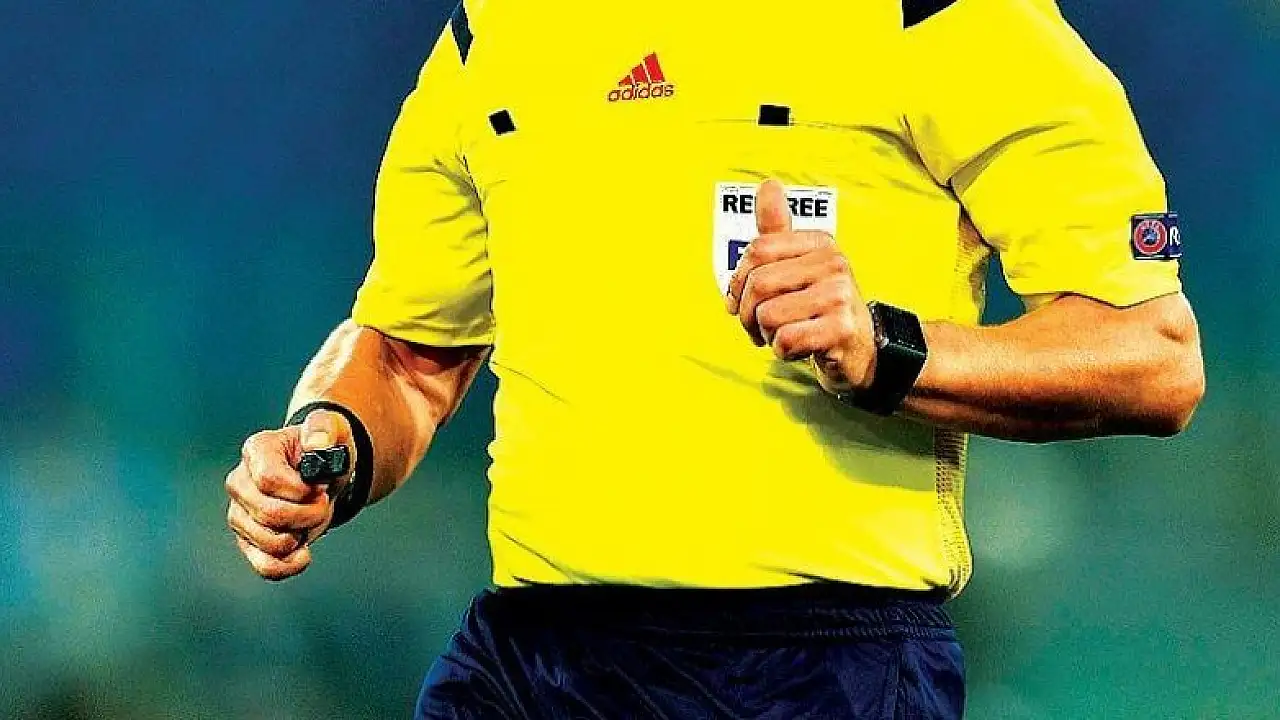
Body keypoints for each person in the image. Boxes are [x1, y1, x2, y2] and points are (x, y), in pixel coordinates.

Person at [223, 0, 1205, 716]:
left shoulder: (938, 15)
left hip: (814, 665)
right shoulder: (495, 29)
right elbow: (406, 353)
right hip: (530, 655)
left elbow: (1149, 355)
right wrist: (327, 444)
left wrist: (883, 349)